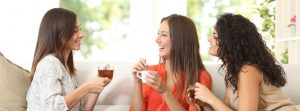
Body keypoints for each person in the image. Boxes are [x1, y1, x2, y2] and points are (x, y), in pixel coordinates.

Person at [193, 13, 298, 111]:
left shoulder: (247, 71)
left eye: (214, 35)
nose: (209, 39)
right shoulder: (232, 73)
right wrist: (205, 103)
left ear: (230, 41)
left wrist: (211, 98)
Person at [26, 8, 111, 111]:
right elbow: (50, 108)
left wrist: (97, 85)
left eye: (80, 29)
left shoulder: (65, 68)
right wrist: (87, 87)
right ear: (58, 34)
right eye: (75, 30)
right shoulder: (49, 63)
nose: (81, 34)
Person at [129, 14, 212, 111]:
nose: (157, 40)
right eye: (158, 34)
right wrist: (137, 82)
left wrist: (165, 91)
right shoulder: (151, 71)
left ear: (180, 40)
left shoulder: (201, 77)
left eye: (163, 35)